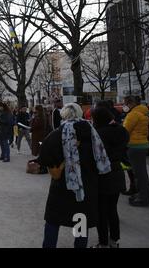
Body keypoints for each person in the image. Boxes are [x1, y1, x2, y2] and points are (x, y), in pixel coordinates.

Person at [38, 103, 111, 248]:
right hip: (86, 186)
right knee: (81, 221)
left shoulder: (56, 134)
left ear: (63, 115)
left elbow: (46, 160)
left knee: (53, 221)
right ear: (80, 114)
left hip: (62, 187)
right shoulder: (93, 133)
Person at [91, 107, 129, 248]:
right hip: (117, 172)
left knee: (101, 212)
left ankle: (103, 243)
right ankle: (114, 240)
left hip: (102, 175)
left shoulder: (98, 134)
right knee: (112, 210)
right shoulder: (121, 131)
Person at [122, 96, 149, 207]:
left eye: (125, 103)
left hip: (134, 145)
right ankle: (141, 194)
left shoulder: (133, 114)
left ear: (131, 103)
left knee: (139, 174)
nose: (124, 106)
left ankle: (143, 198)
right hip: (142, 144)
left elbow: (125, 130)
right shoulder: (143, 112)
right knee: (141, 173)